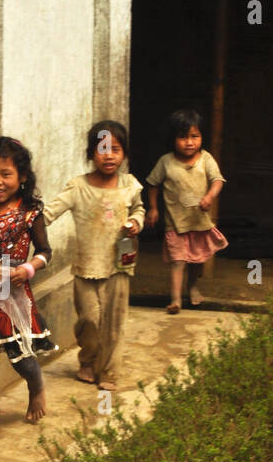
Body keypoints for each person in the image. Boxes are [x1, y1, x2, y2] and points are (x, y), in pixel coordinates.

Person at [0, 137, 57, 444]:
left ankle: (36, 386)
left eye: (6, 174)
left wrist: (29, 268)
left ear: (23, 178)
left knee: (21, 356)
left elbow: (45, 251)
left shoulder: (31, 212)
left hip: (14, 293)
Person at [44, 120, 145, 390]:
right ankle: (88, 359)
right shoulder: (78, 187)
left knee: (114, 322)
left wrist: (136, 223)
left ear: (124, 154)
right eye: (102, 149)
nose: (109, 155)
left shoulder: (130, 185)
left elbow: (139, 210)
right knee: (89, 319)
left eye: (115, 148)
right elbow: (49, 213)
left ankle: (110, 371)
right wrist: (24, 224)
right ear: (90, 153)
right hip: (86, 266)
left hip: (119, 265)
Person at [145, 109, 227, 314]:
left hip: (199, 222)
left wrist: (209, 197)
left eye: (194, 136)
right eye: (183, 137)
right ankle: (175, 300)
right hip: (176, 224)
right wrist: (153, 208)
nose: (189, 142)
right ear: (173, 139)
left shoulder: (206, 159)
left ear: (201, 137)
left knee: (196, 261)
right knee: (178, 261)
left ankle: (192, 286)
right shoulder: (166, 162)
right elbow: (153, 184)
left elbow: (217, 180)